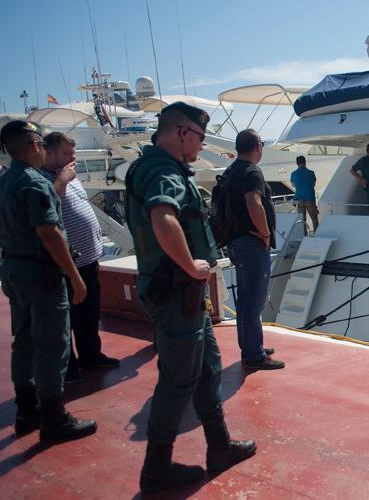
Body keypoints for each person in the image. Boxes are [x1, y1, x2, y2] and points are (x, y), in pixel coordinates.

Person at [124, 102, 255, 493]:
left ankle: (219, 446)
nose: (201, 145)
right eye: (198, 137)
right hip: (176, 291)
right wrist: (191, 266)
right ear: (182, 133)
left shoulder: (150, 166)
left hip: (185, 296)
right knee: (178, 380)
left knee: (206, 367)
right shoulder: (163, 171)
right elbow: (163, 218)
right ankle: (156, 471)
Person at [0, 120, 96, 443]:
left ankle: (26, 411)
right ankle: (53, 417)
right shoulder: (35, 184)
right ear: (35, 145)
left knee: (23, 341)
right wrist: (74, 276)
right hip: (41, 275)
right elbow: (49, 232)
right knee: (53, 344)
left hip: (14, 270)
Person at [40, 132, 120, 385]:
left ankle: (91, 355)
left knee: (88, 314)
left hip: (88, 259)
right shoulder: (42, 179)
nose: (72, 158)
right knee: (66, 319)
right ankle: (69, 367)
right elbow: (46, 206)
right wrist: (62, 179)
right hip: (64, 264)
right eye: (66, 154)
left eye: (73, 153)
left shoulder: (69, 176)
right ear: (48, 153)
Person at [223, 129, 285, 370]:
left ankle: (251, 345)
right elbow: (254, 202)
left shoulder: (232, 170)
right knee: (254, 301)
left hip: (236, 242)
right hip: (252, 244)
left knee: (246, 300)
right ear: (258, 146)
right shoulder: (251, 172)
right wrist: (266, 233)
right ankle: (254, 354)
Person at [290, 155, 318, 232]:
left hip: (299, 200)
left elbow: (293, 185)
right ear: (305, 162)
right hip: (310, 199)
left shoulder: (293, 174)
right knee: (314, 218)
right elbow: (313, 184)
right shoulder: (311, 173)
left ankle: (303, 236)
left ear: (297, 163)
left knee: (302, 220)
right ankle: (317, 234)